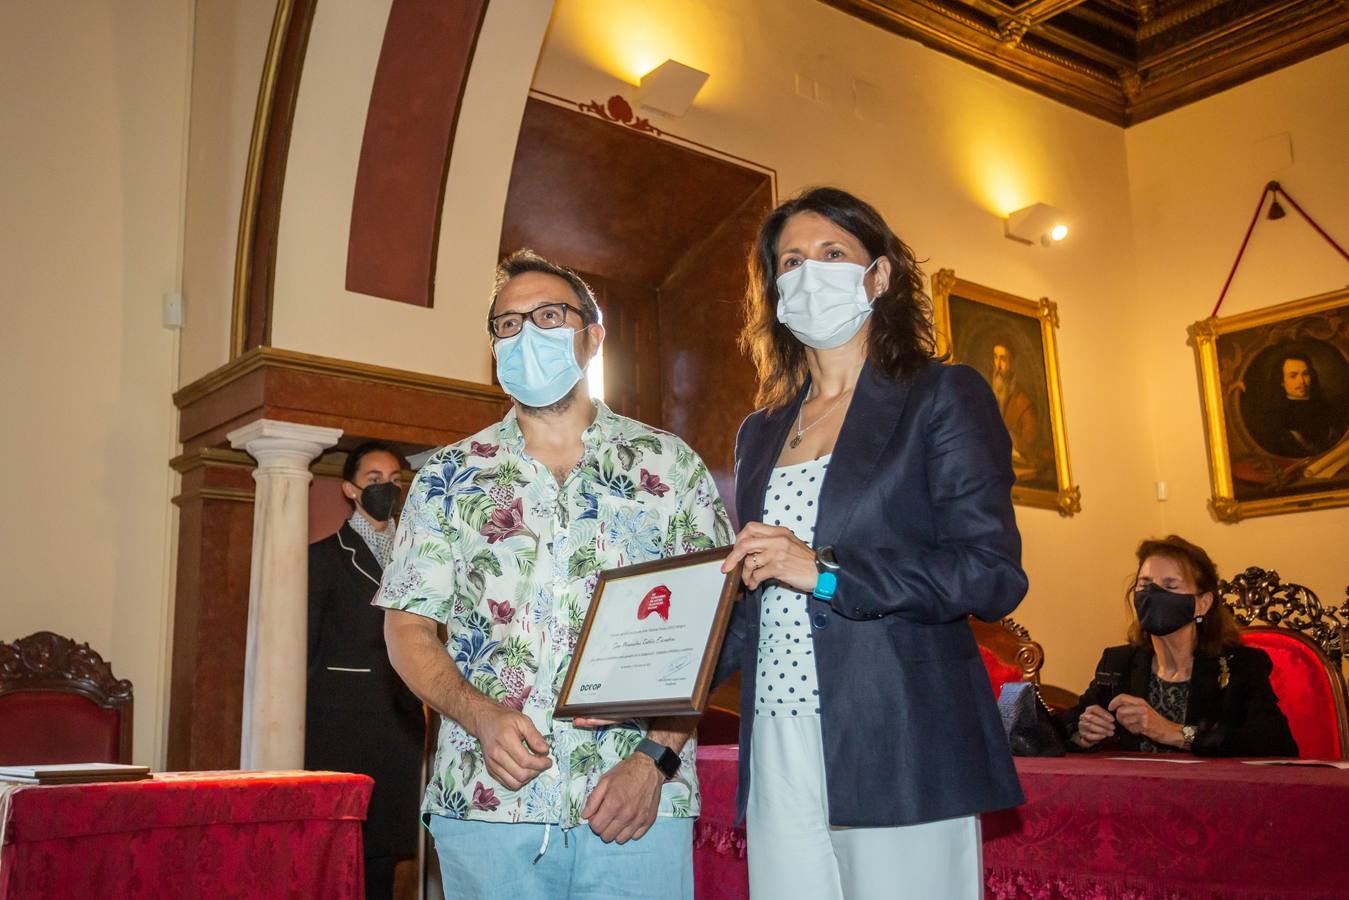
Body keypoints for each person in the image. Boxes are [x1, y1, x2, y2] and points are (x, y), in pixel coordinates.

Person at [376, 250, 732, 900]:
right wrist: (477, 713)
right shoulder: (447, 477)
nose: (525, 335)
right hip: (487, 804)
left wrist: (654, 759)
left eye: (546, 315)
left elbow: (708, 630)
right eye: (506, 325)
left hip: (633, 799)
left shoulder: (667, 466)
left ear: (592, 336)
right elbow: (407, 626)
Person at [714, 187, 1028, 900]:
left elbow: (989, 573)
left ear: (878, 276)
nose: (807, 273)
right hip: (776, 732)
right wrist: (651, 687)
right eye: (789, 261)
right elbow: (752, 593)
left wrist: (824, 572)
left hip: (897, 729)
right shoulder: (760, 430)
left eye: (831, 254)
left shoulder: (940, 395)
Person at [305, 440, 426, 900]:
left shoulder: (417, 558)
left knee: (386, 849)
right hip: (340, 726)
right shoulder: (322, 558)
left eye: (394, 481)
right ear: (350, 490)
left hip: (399, 723)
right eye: (374, 481)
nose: (386, 490)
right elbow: (306, 652)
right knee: (338, 843)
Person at [1060, 534, 1297, 757]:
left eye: (1170, 586)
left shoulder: (1240, 665)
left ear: (1202, 604)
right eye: (1145, 584)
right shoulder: (1119, 662)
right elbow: (1059, 730)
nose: (1152, 594)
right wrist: (1083, 735)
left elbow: (1276, 744)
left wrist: (1174, 733)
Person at [1254, 353, 1345, 458]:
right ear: (1281, 381)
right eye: (1293, 376)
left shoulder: (1327, 407)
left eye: (1305, 374)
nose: (1301, 381)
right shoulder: (1275, 415)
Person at [989, 339, 1042, 475]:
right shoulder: (987, 393)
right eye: (995, 358)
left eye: (1003, 359)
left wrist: (1010, 438)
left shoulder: (1024, 403)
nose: (998, 365)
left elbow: (1030, 444)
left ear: (1012, 363)